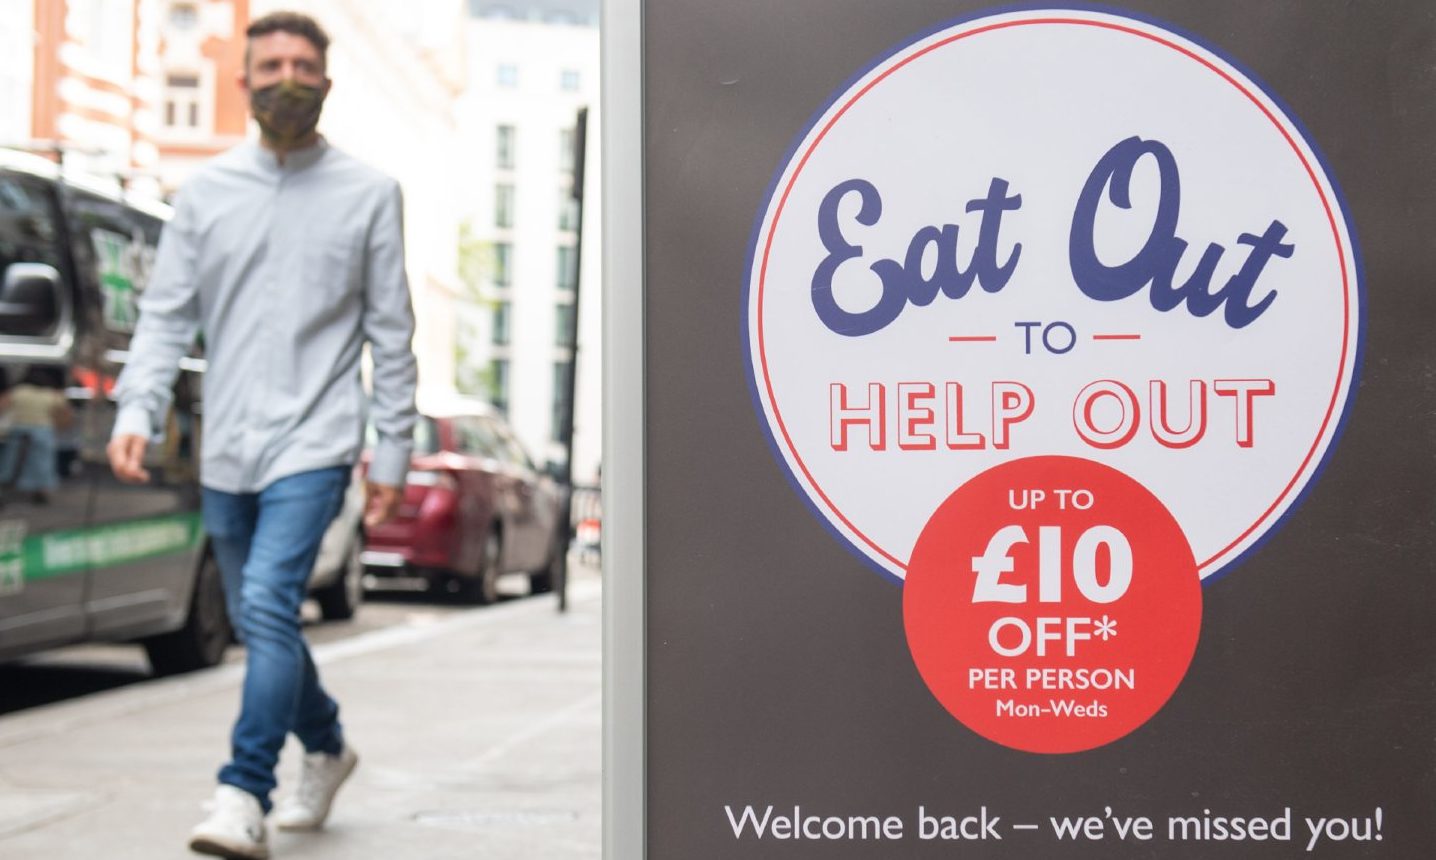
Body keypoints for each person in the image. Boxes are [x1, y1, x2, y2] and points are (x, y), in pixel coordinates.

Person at [107, 11, 417, 860]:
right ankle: (327, 746)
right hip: (229, 447)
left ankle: (244, 791)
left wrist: (392, 450)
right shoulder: (204, 196)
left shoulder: (369, 194)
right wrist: (137, 411)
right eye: (271, 63)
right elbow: (165, 318)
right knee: (259, 618)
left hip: (315, 444)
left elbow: (392, 335)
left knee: (270, 605)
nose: (288, 78)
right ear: (242, 80)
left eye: (304, 64)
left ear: (327, 79)